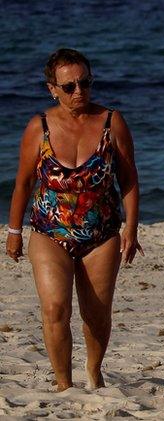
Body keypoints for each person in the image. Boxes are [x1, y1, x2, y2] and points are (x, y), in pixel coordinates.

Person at [5, 48, 142, 391]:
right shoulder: (39, 127)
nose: (79, 91)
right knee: (55, 308)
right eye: (69, 87)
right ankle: (64, 384)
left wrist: (131, 228)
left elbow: (129, 179)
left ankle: (94, 373)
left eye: (85, 83)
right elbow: (23, 183)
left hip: (102, 233)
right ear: (52, 88)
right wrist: (14, 231)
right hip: (49, 232)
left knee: (96, 315)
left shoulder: (112, 122)